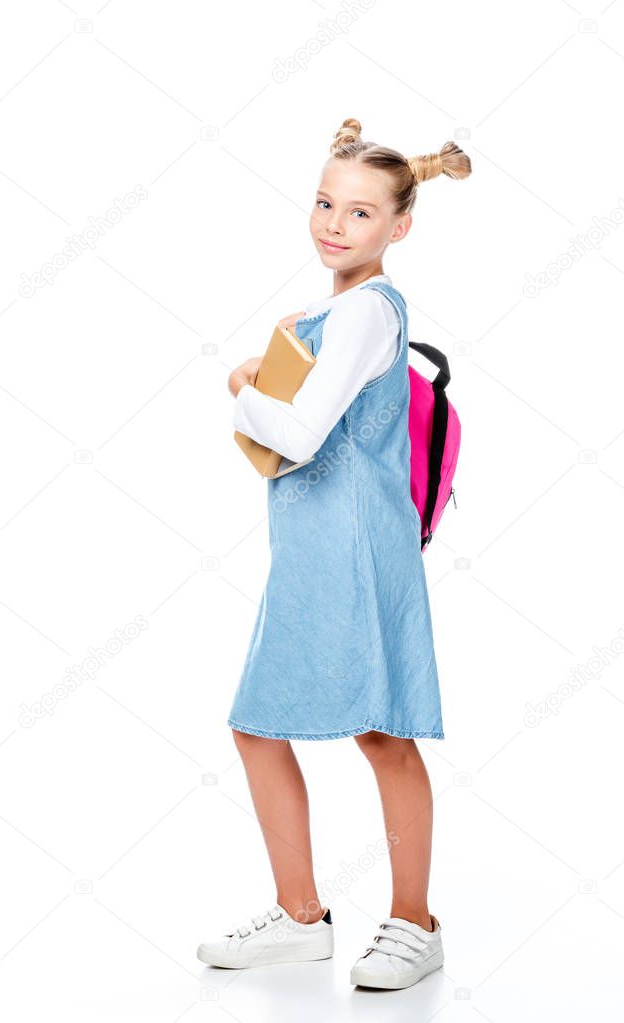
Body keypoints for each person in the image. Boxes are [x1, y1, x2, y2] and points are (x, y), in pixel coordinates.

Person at [196, 118, 471, 991]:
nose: (332, 224)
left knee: (382, 732)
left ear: (399, 227)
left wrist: (242, 386)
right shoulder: (333, 309)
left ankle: (413, 923)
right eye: (324, 203)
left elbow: (303, 436)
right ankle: (300, 914)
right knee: (258, 725)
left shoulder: (363, 310)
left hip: (355, 546)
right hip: (312, 552)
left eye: (358, 213)